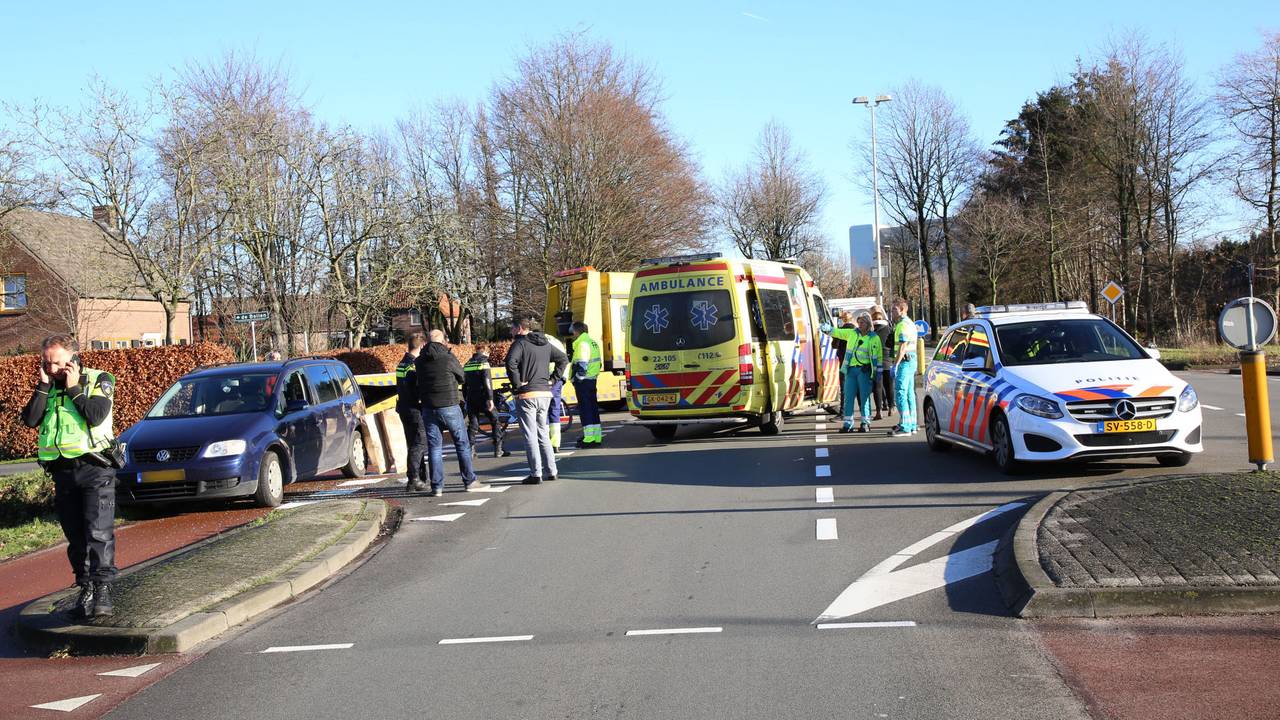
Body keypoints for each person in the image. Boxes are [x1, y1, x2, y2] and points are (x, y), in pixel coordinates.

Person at [21, 335, 118, 618]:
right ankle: (85, 587)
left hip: (95, 469)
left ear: (73, 359)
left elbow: (96, 415)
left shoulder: (99, 379)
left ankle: (103, 591)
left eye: (56, 363)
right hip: (62, 472)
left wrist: (74, 387)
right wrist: (42, 386)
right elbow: (30, 419)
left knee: (98, 533)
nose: (51, 368)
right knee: (75, 536)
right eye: (46, 362)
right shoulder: (48, 386)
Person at [415, 329, 489, 496]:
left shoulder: (419, 361)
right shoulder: (448, 358)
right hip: (449, 405)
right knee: (461, 444)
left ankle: (437, 487)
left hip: (428, 408)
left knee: (434, 448)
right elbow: (462, 377)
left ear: (427, 341)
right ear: (443, 341)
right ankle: (469, 481)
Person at [505, 317, 569, 485]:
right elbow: (563, 359)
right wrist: (553, 379)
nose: (511, 332)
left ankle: (536, 473)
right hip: (545, 393)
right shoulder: (545, 343)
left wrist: (517, 384)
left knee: (530, 435)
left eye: (512, 329)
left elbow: (510, 362)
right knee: (543, 433)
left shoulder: (520, 344)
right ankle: (552, 470)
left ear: (519, 328)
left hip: (527, 395)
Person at [821, 313, 883, 433]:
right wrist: (827, 329)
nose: (860, 325)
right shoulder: (852, 333)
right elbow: (838, 332)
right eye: (859, 322)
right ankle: (848, 424)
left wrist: (877, 374)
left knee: (864, 397)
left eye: (862, 323)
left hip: (864, 371)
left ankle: (865, 423)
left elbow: (878, 357)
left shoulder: (874, 338)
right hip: (850, 370)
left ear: (868, 324)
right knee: (848, 397)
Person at [395, 333, 429, 492]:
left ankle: (420, 477)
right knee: (419, 443)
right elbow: (418, 390)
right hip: (415, 409)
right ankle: (414, 478)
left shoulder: (402, 363)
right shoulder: (414, 366)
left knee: (413, 443)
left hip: (403, 408)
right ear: (422, 346)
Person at [463, 345, 507, 458]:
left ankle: (471, 450)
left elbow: (464, 384)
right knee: (495, 420)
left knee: (473, 424)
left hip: (471, 397)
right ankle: (498, 449)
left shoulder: (467, 364)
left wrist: (466, 398)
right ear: (485, 352)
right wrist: (490, 399)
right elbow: (487, 382)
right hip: (483, 397)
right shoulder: (484, 363)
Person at [570, 321, 603, 448]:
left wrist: (577, 379)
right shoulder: (592, 342)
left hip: (584, 382)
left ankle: (589, 439)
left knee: (585, 410)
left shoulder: (582, 344)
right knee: (593, 409)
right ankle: (596, 437)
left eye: (573, 331)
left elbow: (582, 365)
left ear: (577, 331)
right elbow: (598, 364)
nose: (572, 334)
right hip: (592, 379)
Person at [890, 298, 919, 437]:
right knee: (909, 394)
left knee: (900, 392)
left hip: (905, 362)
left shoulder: (902, 325)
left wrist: (895, 365)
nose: (892, 312)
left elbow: (902, 347)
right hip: (911, 360)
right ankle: (912, 423)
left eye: (894, 310)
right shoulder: (910, 323)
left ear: (902, 310)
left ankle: (905, 426)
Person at [545, 332, 569, 451]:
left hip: (546, 379)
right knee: (554, 410)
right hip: (558, 379)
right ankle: (556, 444)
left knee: (542, 411)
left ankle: (545, 443)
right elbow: (564, 359)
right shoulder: (555, 341)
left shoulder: (538, 342)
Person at [871, 307, 893, 420]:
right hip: (888, 360)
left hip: (876, 363)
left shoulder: (871, 332)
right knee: (889, 386)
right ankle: (891, 408)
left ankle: (879, 411)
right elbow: (892, 344)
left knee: (877, 388)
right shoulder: (889, 329)